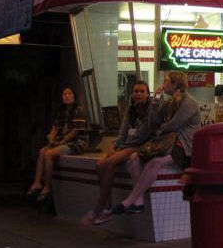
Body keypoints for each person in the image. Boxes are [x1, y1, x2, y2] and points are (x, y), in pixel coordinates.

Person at [112, 71, 200, 214]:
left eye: (166, 81)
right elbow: (152, 123)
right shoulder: (169, 102)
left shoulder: (189, 102)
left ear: (175, 84)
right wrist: (154, 104)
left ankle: (129, 201)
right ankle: (139, 202)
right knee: (134, 158)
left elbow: (173, 125)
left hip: (183, 146)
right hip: (165, 143)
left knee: (155, 162)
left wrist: (161, 127)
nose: (163, 84)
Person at [82, 80, 154, 225]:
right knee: (100, 164)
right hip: (126, 146)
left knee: (109, 162)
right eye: (136, 91)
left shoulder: (152, 110)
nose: (138, 94)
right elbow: (123, 131)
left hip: (141, 146)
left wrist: (121, 147)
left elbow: (143, 134)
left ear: (148, 93)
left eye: (142, 91)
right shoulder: (131, 109)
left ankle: (99, 207)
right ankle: (107, 207)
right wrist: (115, 145)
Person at [28, 86, 88, 202]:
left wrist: (61, 142)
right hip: (61, 141)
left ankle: (48, 187)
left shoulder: (78, 110)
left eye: (69, 93)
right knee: (42, 151)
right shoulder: (62, 112)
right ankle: (37, 182)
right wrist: (51, 139)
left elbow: (75, 132)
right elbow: (55, 129)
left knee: (49, 154)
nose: (66, 96)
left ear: (74, 96)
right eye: (64, 94)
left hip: (77, 142)